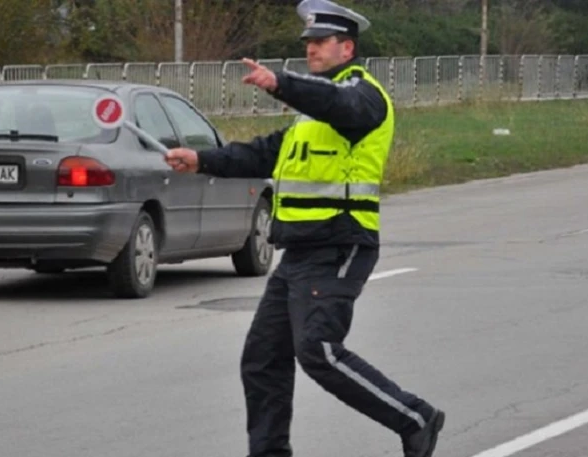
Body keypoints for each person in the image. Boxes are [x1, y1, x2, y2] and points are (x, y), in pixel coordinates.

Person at [163, 0, 445, 456]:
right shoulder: (309, 114)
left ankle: (416, 418)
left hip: (339, 242)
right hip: (298, 251)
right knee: (262, 360)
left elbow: (337, 102)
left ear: (347, 47)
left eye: (320, 42)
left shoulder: (362, 95)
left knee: (317, 350)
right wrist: (201, 160)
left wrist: (280, 83)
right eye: (308, 43)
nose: (310, 49)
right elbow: (263, 154)